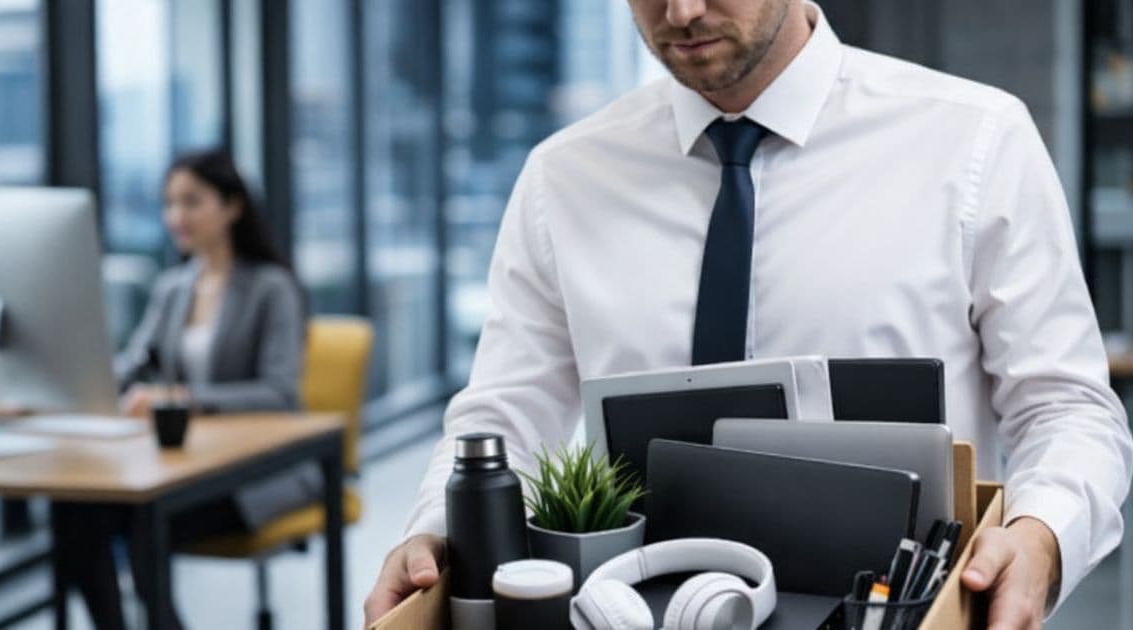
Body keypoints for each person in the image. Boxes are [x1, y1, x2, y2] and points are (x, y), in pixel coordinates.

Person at [365, 1, 1133, 628]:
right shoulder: (563, 177)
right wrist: (435, 528)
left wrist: (1043, 539)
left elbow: (1066, 408)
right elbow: (508, 412)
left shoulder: (975, 140)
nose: (682, 12)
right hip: (642, 610)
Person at [59, 150, 314, 630]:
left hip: (257, 473)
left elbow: (280, 393)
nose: (177, 216)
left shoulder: (271, 288)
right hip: (186, 465)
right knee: (77, 515)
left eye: (192, 201)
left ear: (232, 206)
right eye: (169, 204)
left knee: (143, 523)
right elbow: (135, 365)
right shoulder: (173, 288)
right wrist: (77, 380)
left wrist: (185, 401)